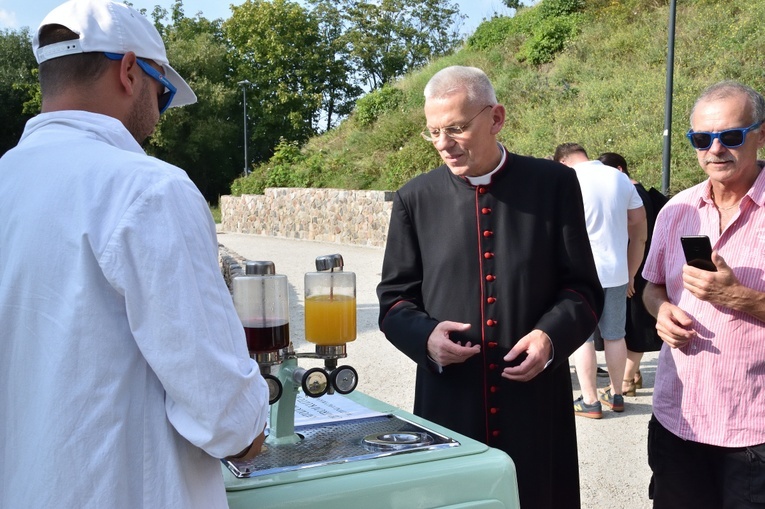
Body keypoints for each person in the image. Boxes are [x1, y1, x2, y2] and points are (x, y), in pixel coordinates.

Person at [0, 1, 269, 507]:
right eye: (163, 94)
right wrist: (250, 430)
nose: (157, 117)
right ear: (129, 70)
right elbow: (223, 413)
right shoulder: (147, 189)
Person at [377, 65, 604, 509]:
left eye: (457, 128)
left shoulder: (554, 184)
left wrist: (550, 337)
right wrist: (425, 337)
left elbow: (583, 289)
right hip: (449, 402)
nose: (444, 144)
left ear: (496, 118)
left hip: (534, 402)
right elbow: (394, 300)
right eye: (434, 132)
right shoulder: (414, 198)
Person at [642, 80, 765, 508]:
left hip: (755, 431)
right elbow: (652, 285)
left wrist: (740, 298)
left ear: (761, 134)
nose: (715, 149)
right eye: (701, 138)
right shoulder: (676, 209)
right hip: (679, 419)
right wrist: (661, 311)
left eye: (731, 136)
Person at [554, 143, 647, 418]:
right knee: (615, 334)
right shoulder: (618, 177)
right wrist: (631, 272)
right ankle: (617, 394)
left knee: (582, 337)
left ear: (562, 162)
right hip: (617, 270)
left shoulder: (567, 179)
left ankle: (590, 400)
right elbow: (639, 229)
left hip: (580, 272)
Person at [597, 152, 667, 396]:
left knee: (634, 325)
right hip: (642, 265)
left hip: (632, 268)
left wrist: (629, 274)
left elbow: (634, 237)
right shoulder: (642, 193)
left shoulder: (632, 194)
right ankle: (633, 374)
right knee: (631, 322)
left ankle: (626, 381)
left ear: (619, 169)